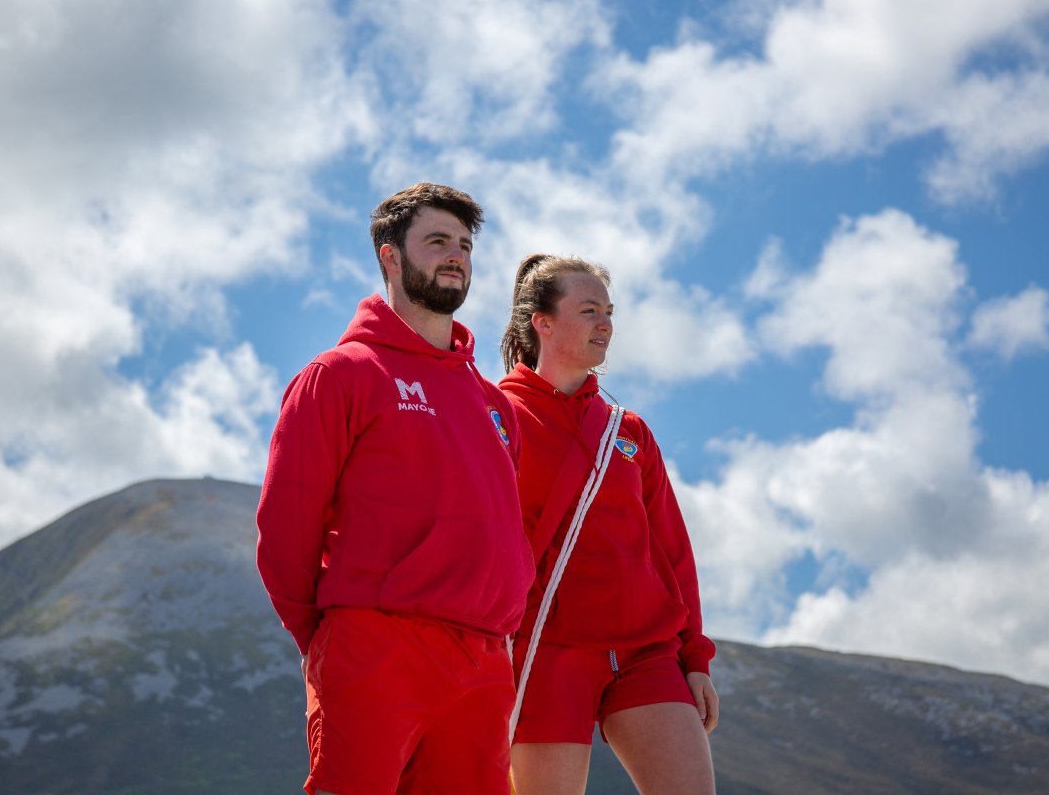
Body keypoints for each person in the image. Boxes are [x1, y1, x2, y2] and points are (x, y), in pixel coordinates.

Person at [256, 183, 534, 795]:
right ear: (390, 256)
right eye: (437, 241)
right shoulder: (339, 375)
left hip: (485, 661)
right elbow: (284, 529)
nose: (456, 255)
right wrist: (329, 639)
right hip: (374, 645)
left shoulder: (494, 406)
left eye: (464, 245)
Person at [498, 253, 719, 795]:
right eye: (589, 311)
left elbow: (673, 551)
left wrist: (695, 657)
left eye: (609, 312)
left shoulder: (629, 431)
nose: (606, 324)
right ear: (543, 322)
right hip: (546, 651)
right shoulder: (496, 416)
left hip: (647, 651)